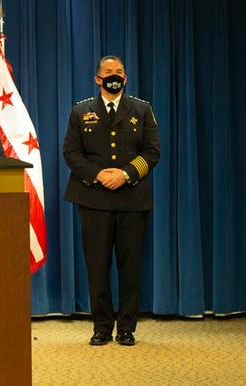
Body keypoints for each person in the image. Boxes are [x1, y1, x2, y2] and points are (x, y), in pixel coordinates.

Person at [62, 56, 160, 346]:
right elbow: (71, 153)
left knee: (129, 268)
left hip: (132, 200)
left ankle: (127, 328)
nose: (114, 76)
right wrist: (98, 175)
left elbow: (152, 152)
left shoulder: (142, 110)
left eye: (119, 72)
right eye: (108, 72)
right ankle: (102, 327)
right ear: (97, 79)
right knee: (97, 266)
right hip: (93, 200)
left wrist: (126, 174)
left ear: (126, 79)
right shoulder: (81, 111)